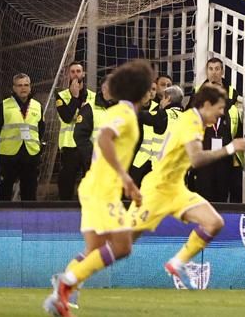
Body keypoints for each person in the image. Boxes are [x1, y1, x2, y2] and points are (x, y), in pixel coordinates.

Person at [44, 59, 156, 317]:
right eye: (149, 87)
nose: (151, 92)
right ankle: (66, 283)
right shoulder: (124, 114)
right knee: (123, 246)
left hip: (95, 187)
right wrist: (125, 178)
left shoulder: (119, 112)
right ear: (140, 89)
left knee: (94, 252)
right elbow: (104, 139)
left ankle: (61, 296)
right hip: (103, 189)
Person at [132, 84, 245, 286]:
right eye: (220, 108)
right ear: (207, 105)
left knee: (214, 222)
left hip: (175, 188)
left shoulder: (195, 121)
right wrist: (230, 148)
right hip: (157, 188)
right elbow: (196, 159)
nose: (222, 113)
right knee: (122, 244)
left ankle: (176, 263)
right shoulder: (191, 121)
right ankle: (74, 277)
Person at [54, 63, 97, 201]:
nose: (75, 74)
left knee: (91, 182)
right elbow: (67, 118)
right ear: (68, 74)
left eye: (78, 71)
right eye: (72, 71)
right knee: (66, 182)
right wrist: (75, 97)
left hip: (89, 144)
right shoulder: (61, 96)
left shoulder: (93, 96)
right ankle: (64, 210)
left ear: (83, 74)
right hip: (70, 145)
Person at [0, 71, 42, 201]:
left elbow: (41, 128)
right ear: (14, 88)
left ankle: (29, 213)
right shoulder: (3, 106)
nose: (23, 88)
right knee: (5, 189)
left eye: (26, 85)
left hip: (30, 153)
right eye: (20, 85)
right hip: (9, 154)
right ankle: (3, 213)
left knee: (30, 191)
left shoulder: (37, 106)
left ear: (30, 87)